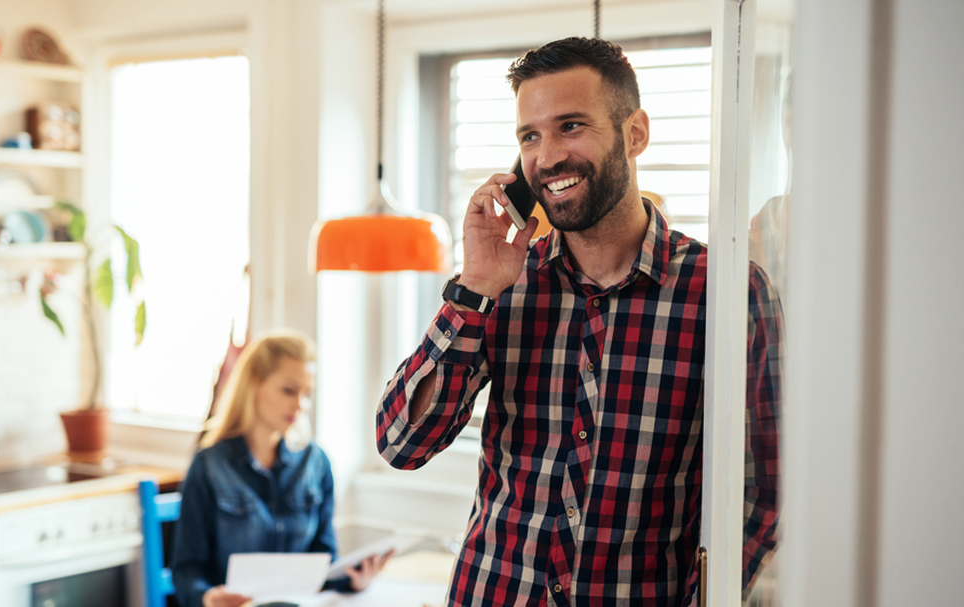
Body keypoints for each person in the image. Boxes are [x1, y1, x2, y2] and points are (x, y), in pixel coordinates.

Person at [376, 37, 782, 607]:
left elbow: (763, 493)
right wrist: (473, 292)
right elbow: (401, 442)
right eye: (529, 136)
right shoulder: (504, 285)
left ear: (634, 133)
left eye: (571, 126)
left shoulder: (727, 290)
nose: (546, 158)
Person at [173, 330, 392, 607]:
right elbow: (186, 571)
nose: (300, 405)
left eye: (307, 394)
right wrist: (207, 598)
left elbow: (323, 563)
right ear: (254, 383)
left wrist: (354, 580)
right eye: (289, 390)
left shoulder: (316, 463)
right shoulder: (209, 465)